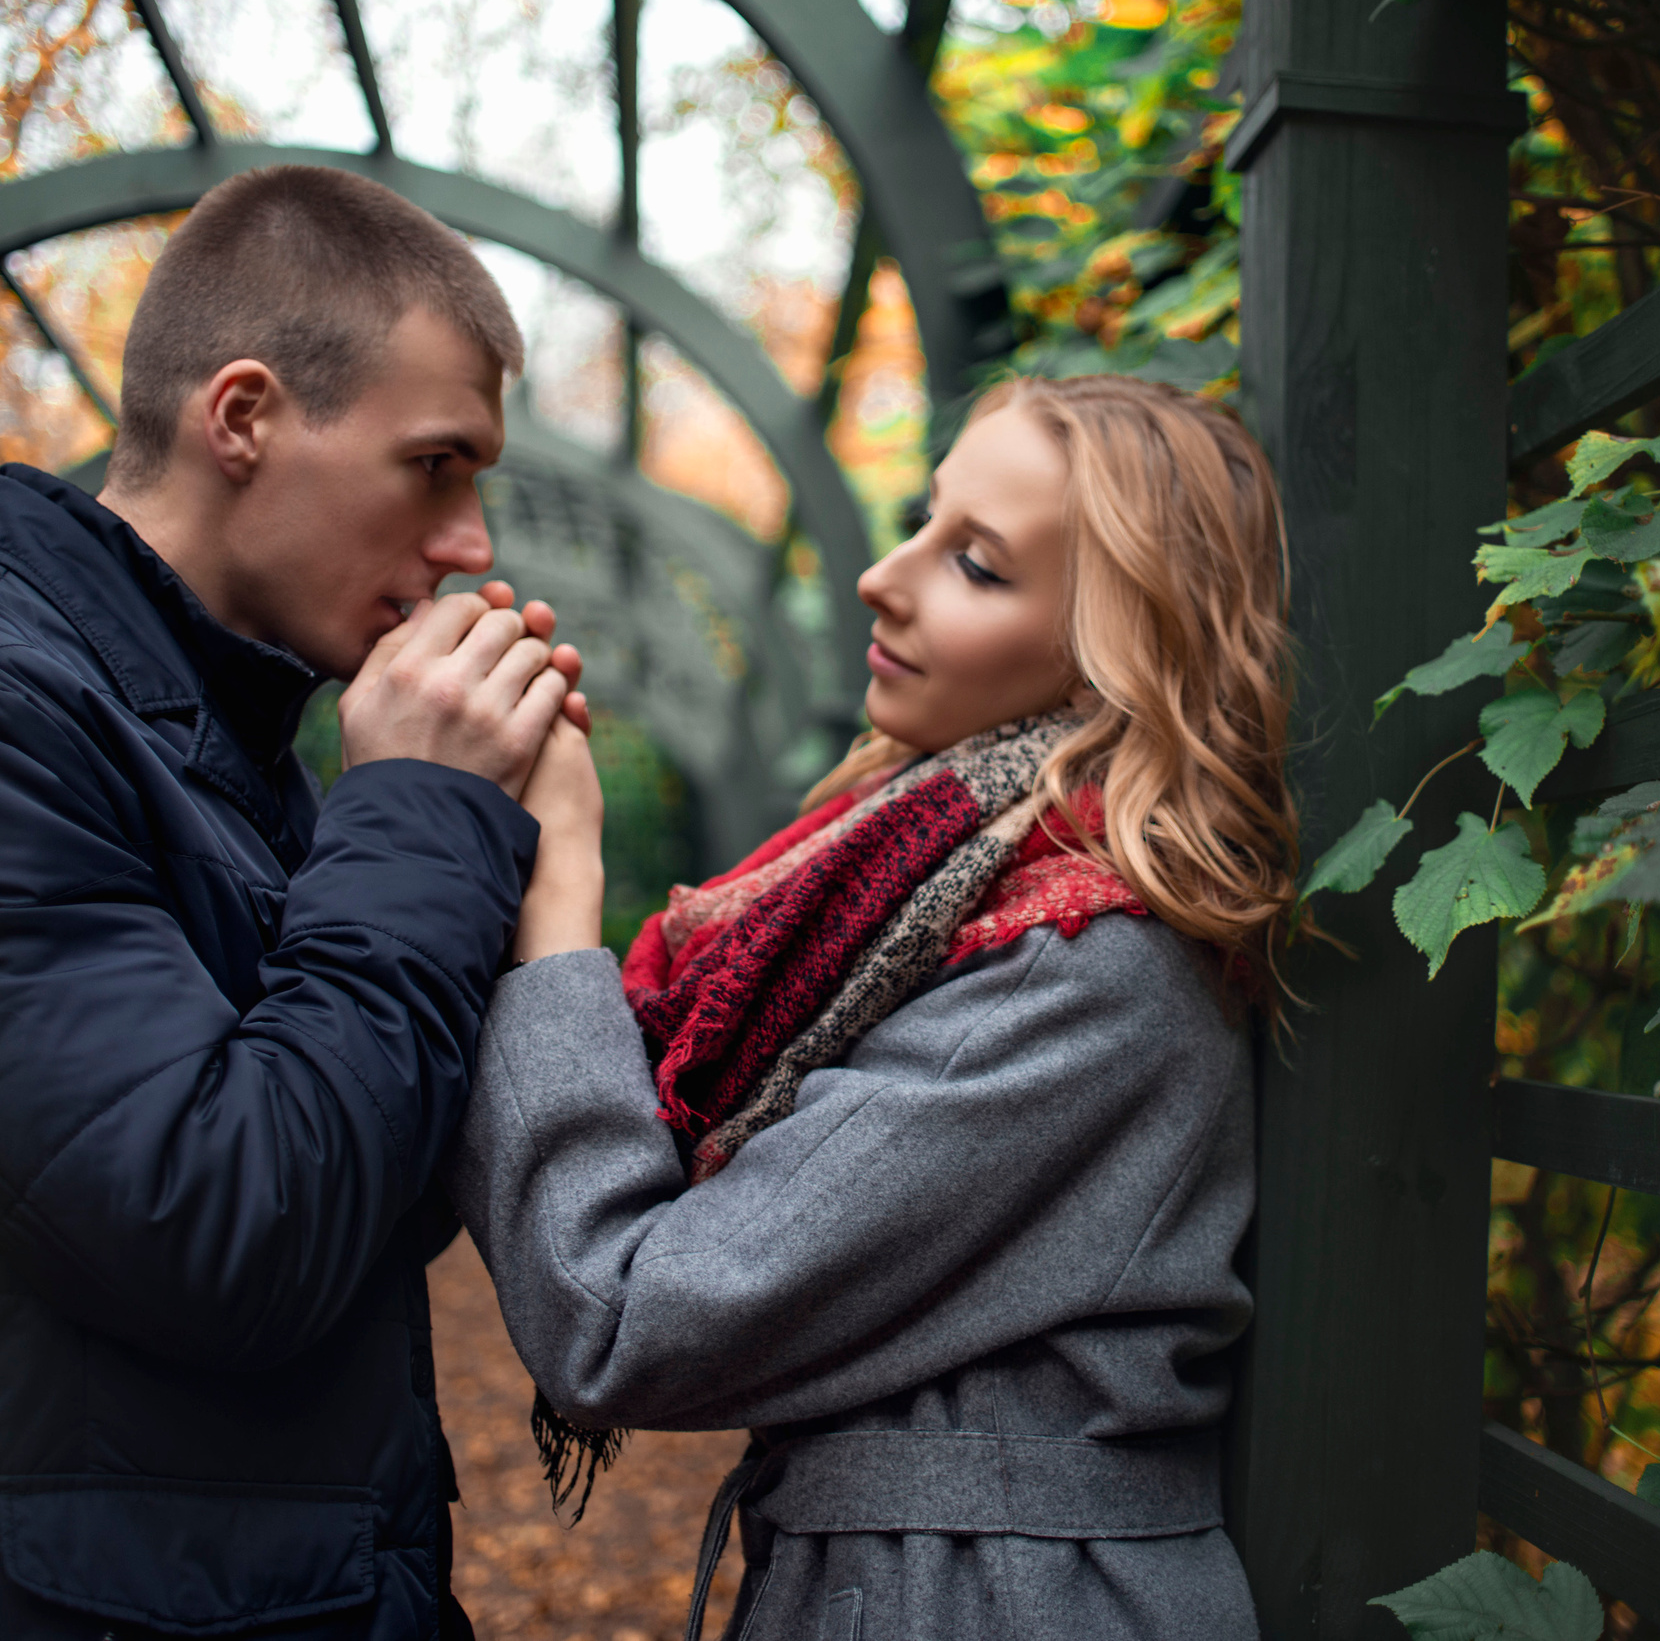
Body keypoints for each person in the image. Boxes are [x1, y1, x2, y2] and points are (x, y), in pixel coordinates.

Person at [0, 165, 584, 1639]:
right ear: (243, 416)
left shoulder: (231, 756)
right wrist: (423, 817)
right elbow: (229, 1234)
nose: (469, 544)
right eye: (434, 464)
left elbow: (363, 1200)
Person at [452, 373, 1299, 1639]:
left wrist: (559, 905)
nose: (878, 577)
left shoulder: (1079, 966)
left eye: (976, 563)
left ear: (1119, 647)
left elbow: (625, 1318)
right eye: (922, 519)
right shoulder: (936, 892)